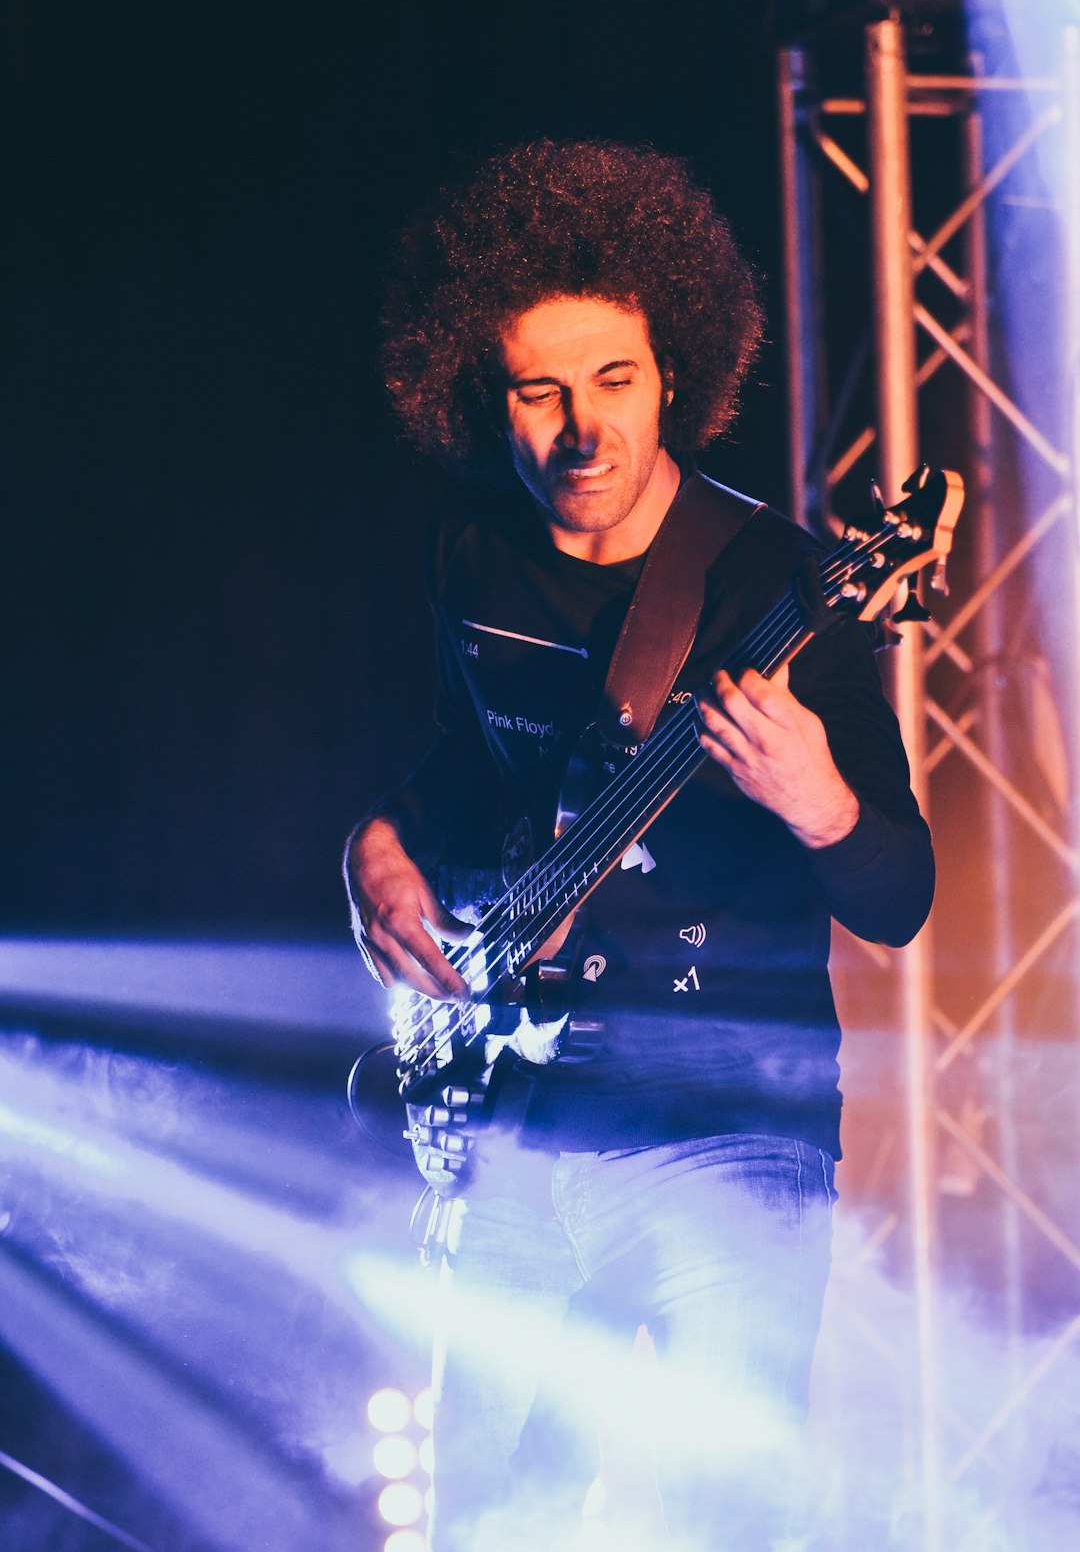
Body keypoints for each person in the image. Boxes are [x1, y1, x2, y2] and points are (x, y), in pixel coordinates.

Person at [345, 140, 934, 1552]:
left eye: (615, 381)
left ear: (674, 378)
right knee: (490, 1517)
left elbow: (901, 891)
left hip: (728, 1126)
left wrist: (820, 801)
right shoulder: (470, 558)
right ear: (487, 403)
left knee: (738, 1510)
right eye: (541, 390)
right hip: (522, 1117)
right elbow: (472, 770)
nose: (583, 429)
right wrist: (376, 851)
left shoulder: (781, 583)